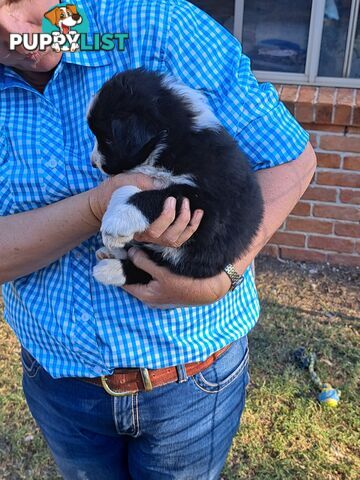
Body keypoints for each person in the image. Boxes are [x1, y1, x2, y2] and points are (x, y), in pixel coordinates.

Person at [0, 0, 317, 478]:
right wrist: (96, 207)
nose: (14, 31)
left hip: (191, 378)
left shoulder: (159, 23)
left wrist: (219, 276)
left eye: (16, 1)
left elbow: (290, 161)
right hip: (60, 382)